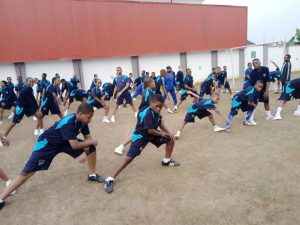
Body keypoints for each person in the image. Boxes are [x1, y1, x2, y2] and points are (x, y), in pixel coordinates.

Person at [0, 103, 105, 209]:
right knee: (26, 173)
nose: (90, 120)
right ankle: (1, 198)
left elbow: (88, 139)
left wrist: (86, 151)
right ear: (81, 114)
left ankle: (92, 175)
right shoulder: (68, 123)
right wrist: (90, 144)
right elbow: (75, 145)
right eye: (89, 117)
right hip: (47, 145)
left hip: (64, 142)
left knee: (91, 149)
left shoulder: (83, 122)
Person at [104, 94, 180, 193]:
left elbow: (160, 122)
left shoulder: (157, 111)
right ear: (151, 103)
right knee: (129, 158)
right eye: (157, 106)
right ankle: (110, 179)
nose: (159, 108)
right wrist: (161, 134)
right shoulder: (147, 113)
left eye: (161, 107)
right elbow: (150, 131)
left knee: (170, 140)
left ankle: (166, 161)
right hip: (141, 136)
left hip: (152, 132)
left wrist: (169, 133)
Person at [114, 77, 156, 155]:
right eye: (153, 82)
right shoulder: (148, 93)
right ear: (149, 84)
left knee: (144, 132)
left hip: (145, 115)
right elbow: (151, 105)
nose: (155, 83)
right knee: (137, 132)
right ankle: (120, 147)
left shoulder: (150, 92)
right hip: (143, 116)